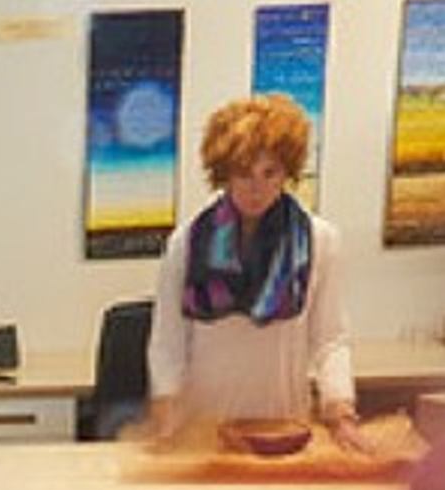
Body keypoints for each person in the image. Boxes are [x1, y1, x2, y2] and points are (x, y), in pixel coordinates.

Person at [147, 94, 358, 442]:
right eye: (243, 173)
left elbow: (330, 339)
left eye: (269, 173)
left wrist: (341, 412)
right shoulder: (186, 242)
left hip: (284, 426)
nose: (256, 188)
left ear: (287, 172)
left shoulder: (321, 241)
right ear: (224, 174)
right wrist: (166, 415)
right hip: (205, 431)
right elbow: (167, 342)